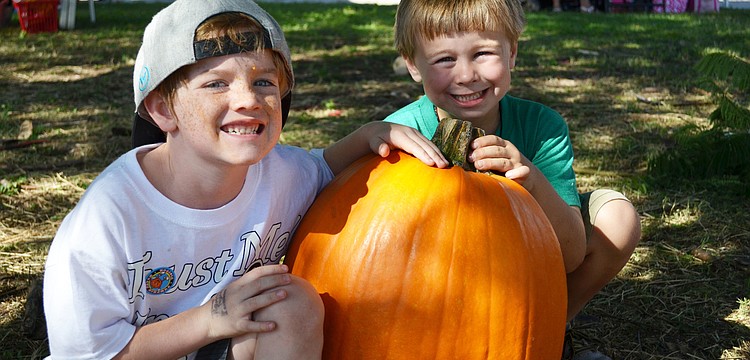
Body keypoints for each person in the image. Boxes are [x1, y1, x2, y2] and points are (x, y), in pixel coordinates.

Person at [42, 0, 447, 359]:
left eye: (264, 82)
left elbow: (324, 167)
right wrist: (212, 318)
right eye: (216, 83)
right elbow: (93, 353)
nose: (248, 99)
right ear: (164, 110)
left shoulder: (283, 176)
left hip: (226, 345)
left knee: (292, 302)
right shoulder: (107, 219)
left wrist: (369, 135)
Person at [385, 0, 641, 358]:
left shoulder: (542, 129)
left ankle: (544, 330)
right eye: (445, 59)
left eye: (484, 53)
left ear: (512, 53)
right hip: (437, 292)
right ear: (413, 65)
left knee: (618, 218)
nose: (466, 75)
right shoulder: (400, 135)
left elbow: (570, 256)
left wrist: (531, 180)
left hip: (525, 272)